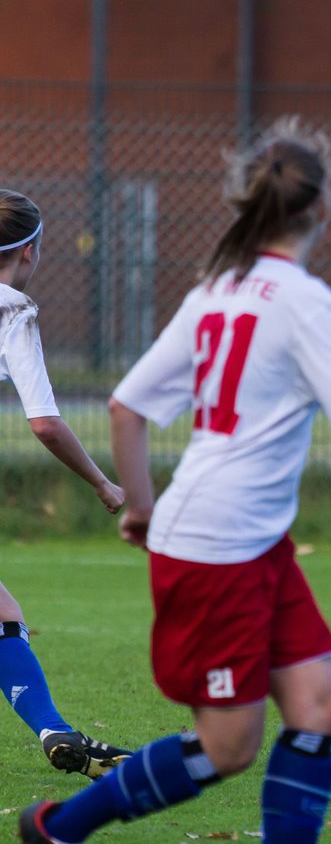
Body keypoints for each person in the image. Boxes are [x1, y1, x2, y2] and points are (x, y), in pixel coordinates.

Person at [20, 117, 331, 843]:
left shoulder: (217, 289)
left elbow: (127, 407)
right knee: (227, 748)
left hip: (248, 541)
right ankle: (59, 828)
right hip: (216, 549)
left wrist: (141, 508)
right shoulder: (307, 302)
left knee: (315, 706)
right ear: (323, 206)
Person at [0, 190, 133, 780]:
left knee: (2, 613)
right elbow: (47, 423)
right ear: (29, 250)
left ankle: (55, 729)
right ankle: (53, 727)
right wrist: (104, 483)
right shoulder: (13, 311)